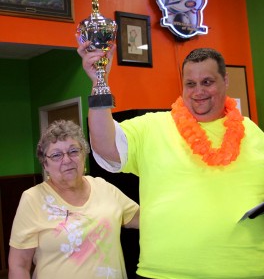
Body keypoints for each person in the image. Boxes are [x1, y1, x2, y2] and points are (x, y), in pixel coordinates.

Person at [77, 41, 264, 279]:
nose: (198, 92)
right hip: (167, 273)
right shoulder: (153, 126)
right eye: (190, 84)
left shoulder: (252, 131)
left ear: (225, 81)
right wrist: (99, 82)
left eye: (207, 82)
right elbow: (105, 148)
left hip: (250, 270)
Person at [8, 119, 139, 279]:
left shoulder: (104, 188)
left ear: (84, 154)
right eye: (56, 155)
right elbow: (19, 265)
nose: (67, 160)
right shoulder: (33, 199)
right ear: (45, 164)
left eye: (73, 151)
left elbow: (145, 220)